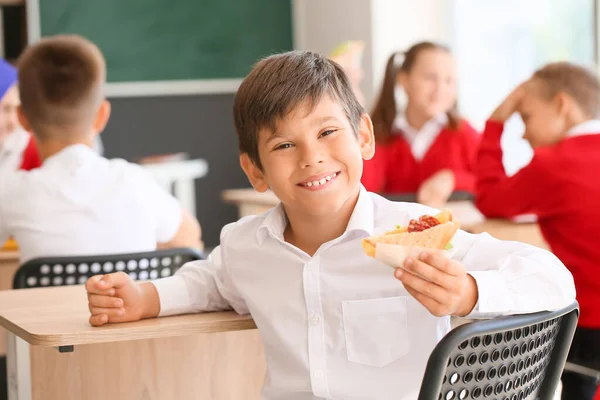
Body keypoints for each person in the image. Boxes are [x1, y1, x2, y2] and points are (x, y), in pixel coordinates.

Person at [87, 50, 574, 400]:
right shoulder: (245, 245)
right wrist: (150, 297)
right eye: (283, 145)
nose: (312, 156)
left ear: (363, 135)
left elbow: (553, 277)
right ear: (255, 171)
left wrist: (470, 292)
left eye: (327, 132)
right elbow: (212, 282)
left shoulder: (416, 235)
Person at [0, 35, 202, 263]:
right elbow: (190, 237)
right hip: (126, 299)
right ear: (102, 116)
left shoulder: (13, 192)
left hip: (49, 300)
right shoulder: (136, 181)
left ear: (22, 119)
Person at [476, 62, 600, 400]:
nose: (525, 134)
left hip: (588, 327)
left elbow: (490, 199)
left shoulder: (555, 164)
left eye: (527, 117)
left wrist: (495, 125)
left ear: (562, 105)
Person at [362, 42, 479, 208]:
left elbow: (491, 184)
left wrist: (453, 179)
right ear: (404, 80)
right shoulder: (379, 137)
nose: (440, 88)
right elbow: (361, 191)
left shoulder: (464, 133)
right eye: (430, 78)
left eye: (449, 80)